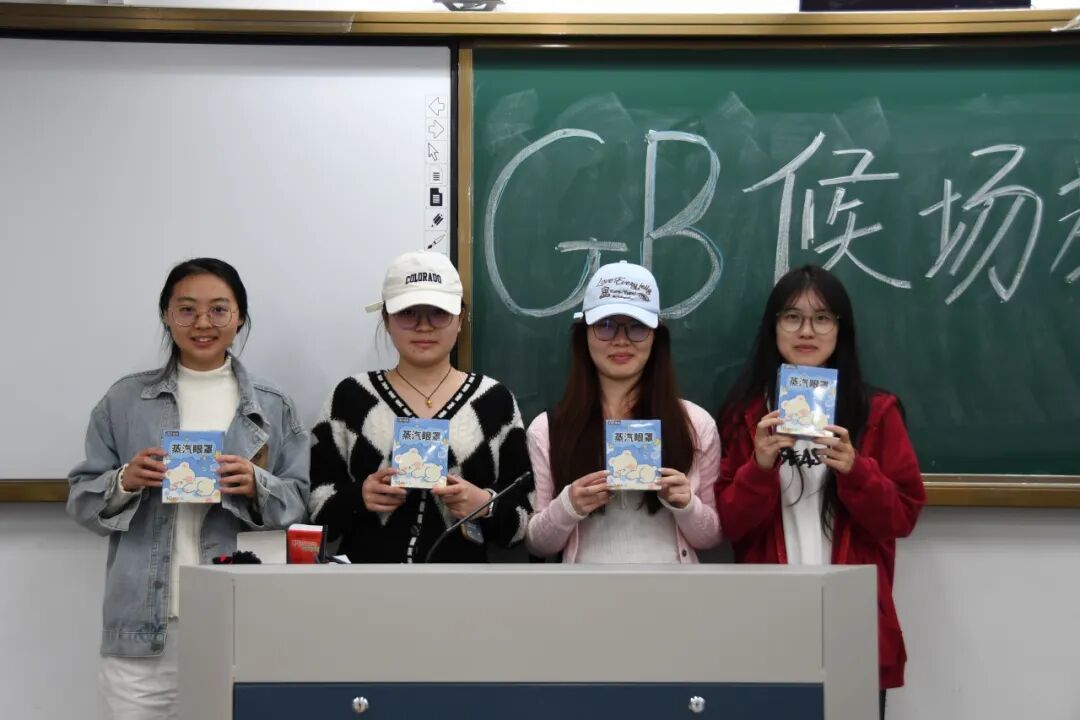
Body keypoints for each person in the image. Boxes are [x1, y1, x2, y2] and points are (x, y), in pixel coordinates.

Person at [67, 257, 310, 720]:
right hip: (142, 630)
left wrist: (256, 485)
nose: (202, 323)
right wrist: (125, 481)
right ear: (166, 315)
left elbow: (300, 505)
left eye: (219, 309)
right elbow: (80, 500)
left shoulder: (273, 405)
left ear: (240, 316)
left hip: (238, 621)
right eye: (186, 309)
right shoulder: (124, 401)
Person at [715, 264, 925, 718]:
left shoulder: (876, 412)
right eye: (792, 316)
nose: (806, 330)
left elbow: (901, 517)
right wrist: (759, 468)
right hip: (769, 620)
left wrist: (857, 471)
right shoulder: (746, 415)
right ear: (774, 327)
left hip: (851, 620)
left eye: (822, 318)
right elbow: (728, 523)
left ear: (840, 329)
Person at [308, 251, 532, 563]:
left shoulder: (494, 401)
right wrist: (359, 498)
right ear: (386, 320)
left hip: (464, 586)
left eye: (439, 313)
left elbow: (523, 521)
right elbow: (316, 513)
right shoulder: (350, 398)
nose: (423, 326)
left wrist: (485, 505)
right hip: (366, 584)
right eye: (407, 313)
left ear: (460, 319)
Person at [526, 261, 721, 563]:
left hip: (673, 589)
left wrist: (687, 505)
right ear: (584, 334)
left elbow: (712, 537)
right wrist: (568, 506)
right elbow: (537, 544)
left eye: (637, 327)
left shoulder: (695, 423)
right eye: (605, 325)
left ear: (656, 337)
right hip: (583, 590)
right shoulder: (547, 429)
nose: (621, 340)